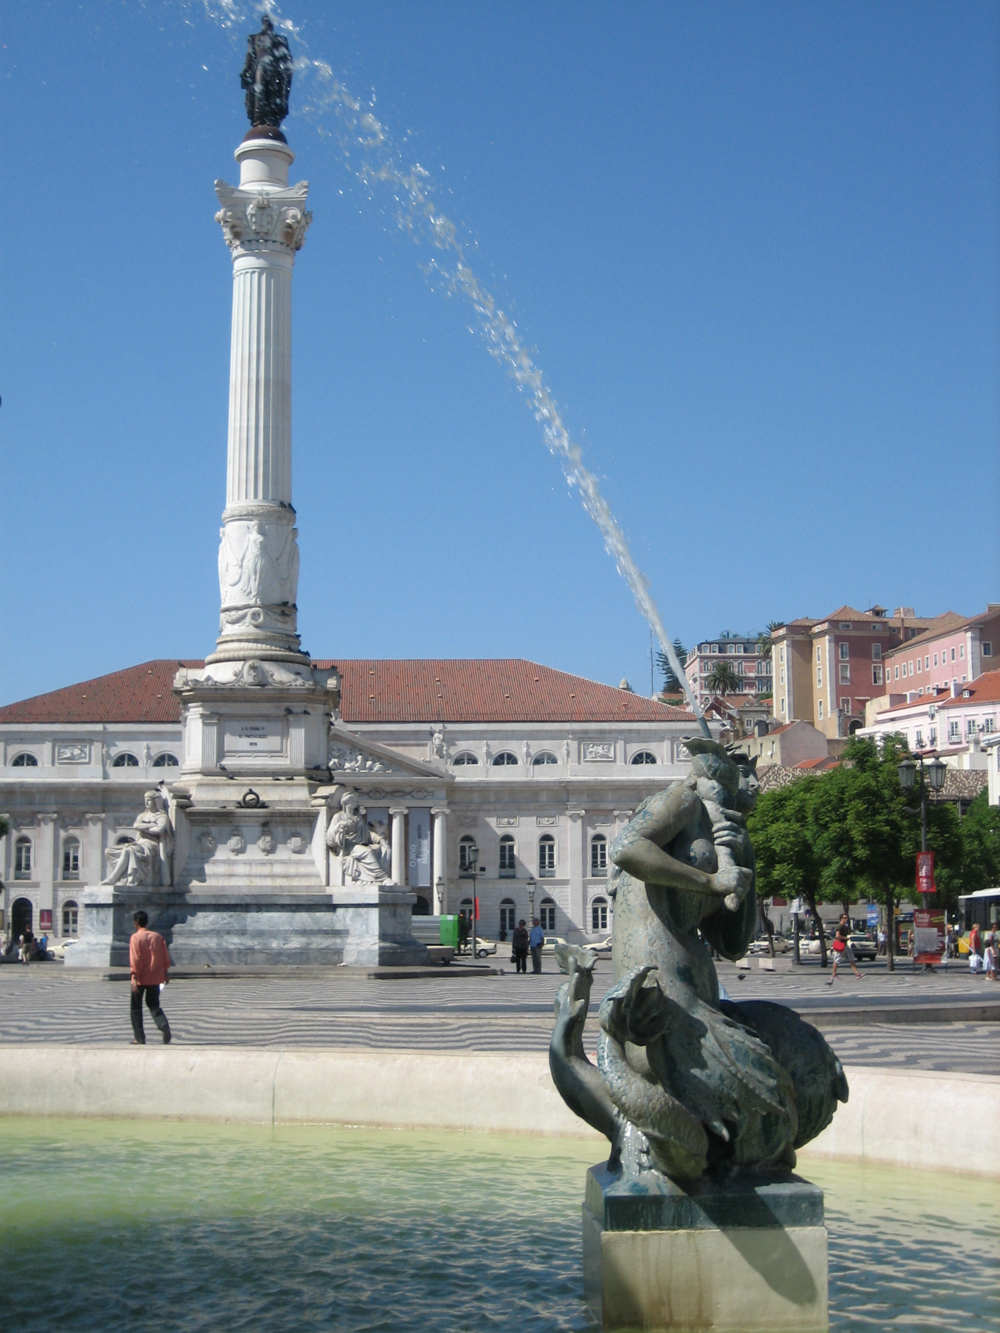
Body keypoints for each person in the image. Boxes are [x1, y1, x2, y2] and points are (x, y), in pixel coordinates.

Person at [102, 791, 173, 888]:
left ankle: (114, 878)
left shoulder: (162, 816)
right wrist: (151, 825)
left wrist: (143, 827)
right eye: (145, 801)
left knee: (130, 850)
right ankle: (121, 877)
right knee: (110, 851)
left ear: (156, 802)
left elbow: (158, 830)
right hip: (140, 842)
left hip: (152, 844)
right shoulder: (142, 815)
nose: (146, 803)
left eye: (149, 800)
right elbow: (136, 825)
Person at [129, 910, 172, 1045]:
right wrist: (165, 973)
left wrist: (134, 977)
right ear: (147, 922)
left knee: (136, 1008)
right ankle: (163, 1024)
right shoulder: (158, 937)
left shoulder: (135, 938)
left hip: (140, 977)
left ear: (136, 922)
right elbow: (165, 957)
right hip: (155, 977)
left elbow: (135, 958)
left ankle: (139, 1037)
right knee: (153, 1004)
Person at [827, 913, 862, 984]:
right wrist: (845, 938)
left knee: (851, 958)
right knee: (837, 960)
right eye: (844, 917)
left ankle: (857, 974)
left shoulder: (844, 926)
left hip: (845, 945)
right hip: (840, 945)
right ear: (841, 918)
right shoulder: (839, 926)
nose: (846, 919)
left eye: (846, 917)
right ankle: (833, 975)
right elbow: (837, 936)